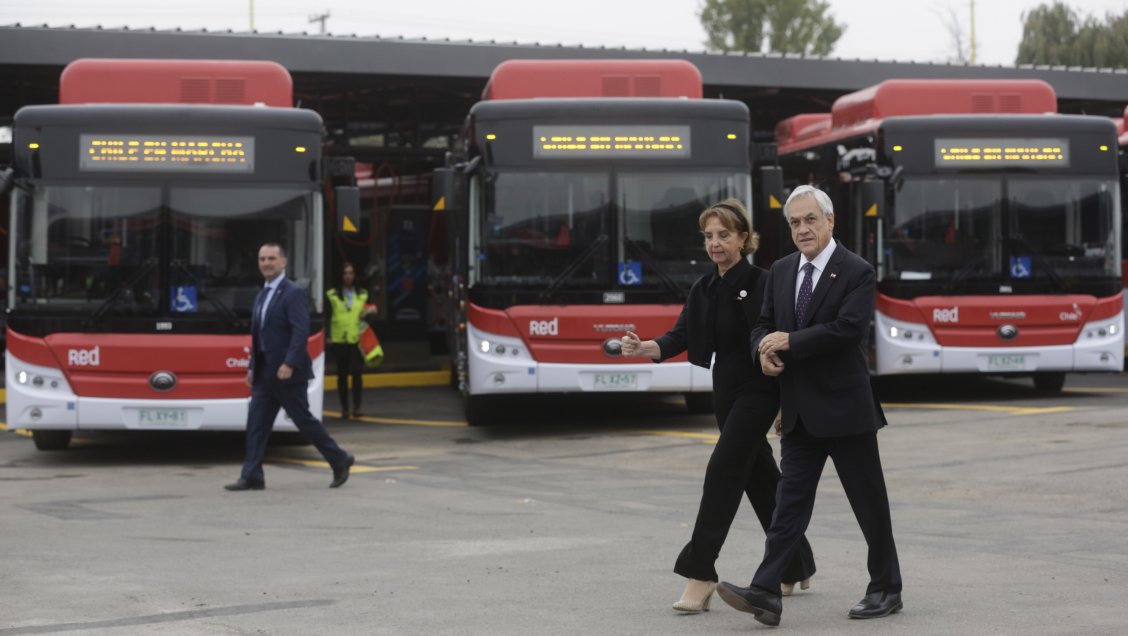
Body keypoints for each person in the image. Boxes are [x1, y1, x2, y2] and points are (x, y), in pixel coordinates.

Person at [716, 185, 902, 625]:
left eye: (810, 219)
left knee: (869, 505)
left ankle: (886, 587)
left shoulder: (856, 270)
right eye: (795, 222)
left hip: (846, 411)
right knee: (789, 506)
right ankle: (766, 592)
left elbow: (849, 329)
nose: (802, 229)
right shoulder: (781, 271)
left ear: (830, 221)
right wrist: (763, 351)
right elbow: (762, 326)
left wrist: (790, 342)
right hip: (798, 411)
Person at [619, 199, 816, 614]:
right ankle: (796, 561)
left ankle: (700, 570)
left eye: (724, 235)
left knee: (722, 471)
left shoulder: (764, 282)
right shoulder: (704, 288)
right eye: (709, 236)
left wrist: (787, 401)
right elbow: (679, 336)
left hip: (760, 390)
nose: (715, 243)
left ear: (743, 238)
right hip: (725, 393)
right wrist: (644, 347)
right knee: (760, 480)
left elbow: (781, 340)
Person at [225, 242, 355, 491]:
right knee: (256, 424)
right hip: (264, 373)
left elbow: (300, 330)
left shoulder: (293, 292)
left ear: (283, 262)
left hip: (287, 374)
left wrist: (289, 362)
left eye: (271, 258)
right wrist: (252, 367)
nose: (266, 263)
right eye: (262, 259)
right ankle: (252, 475)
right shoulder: (262, 294)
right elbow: (259, 335)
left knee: (303, 420)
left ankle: (339, 459)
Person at [326, 261, 374, 419]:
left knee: (357, 372)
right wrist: (328, 336)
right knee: (342, 374)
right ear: (341, 275)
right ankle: (345, 408)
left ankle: (357, 407)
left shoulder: (362, 294)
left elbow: (368, 313)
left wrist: (371, 311)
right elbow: (328, 316)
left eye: (351, 273)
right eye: (345, 273)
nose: (348, 276)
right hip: (339, 339)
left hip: (356, 338)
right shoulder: (332, 294)